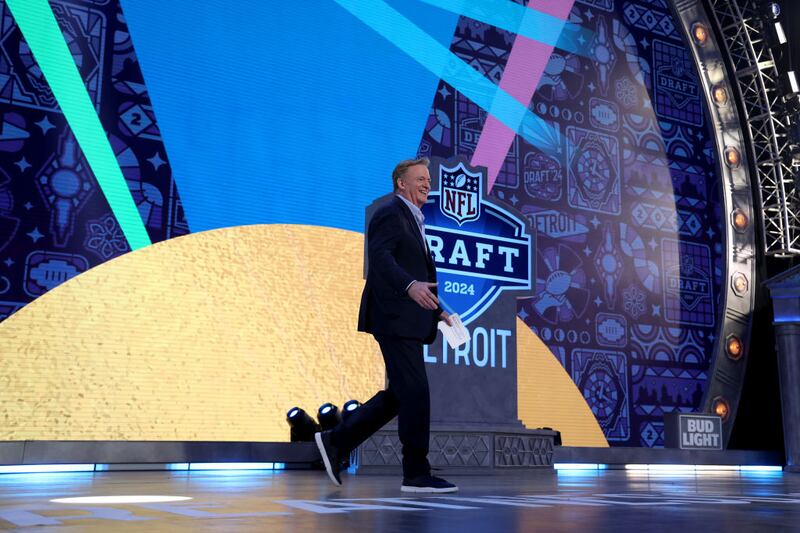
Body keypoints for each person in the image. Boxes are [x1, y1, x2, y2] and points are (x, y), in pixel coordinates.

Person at [315, 157, 458, 493]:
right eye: (419, 178)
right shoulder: (390, 212)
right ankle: (416, 472)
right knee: (416, 391)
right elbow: (381, 259)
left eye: (428, 178)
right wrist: (410, 286)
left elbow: (418, 275)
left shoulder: (414, 219)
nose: (427, 183)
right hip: (393, 318)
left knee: (400, 395)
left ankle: (337, 440)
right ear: (400, 183)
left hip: (407, 319)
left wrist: (438, 311)